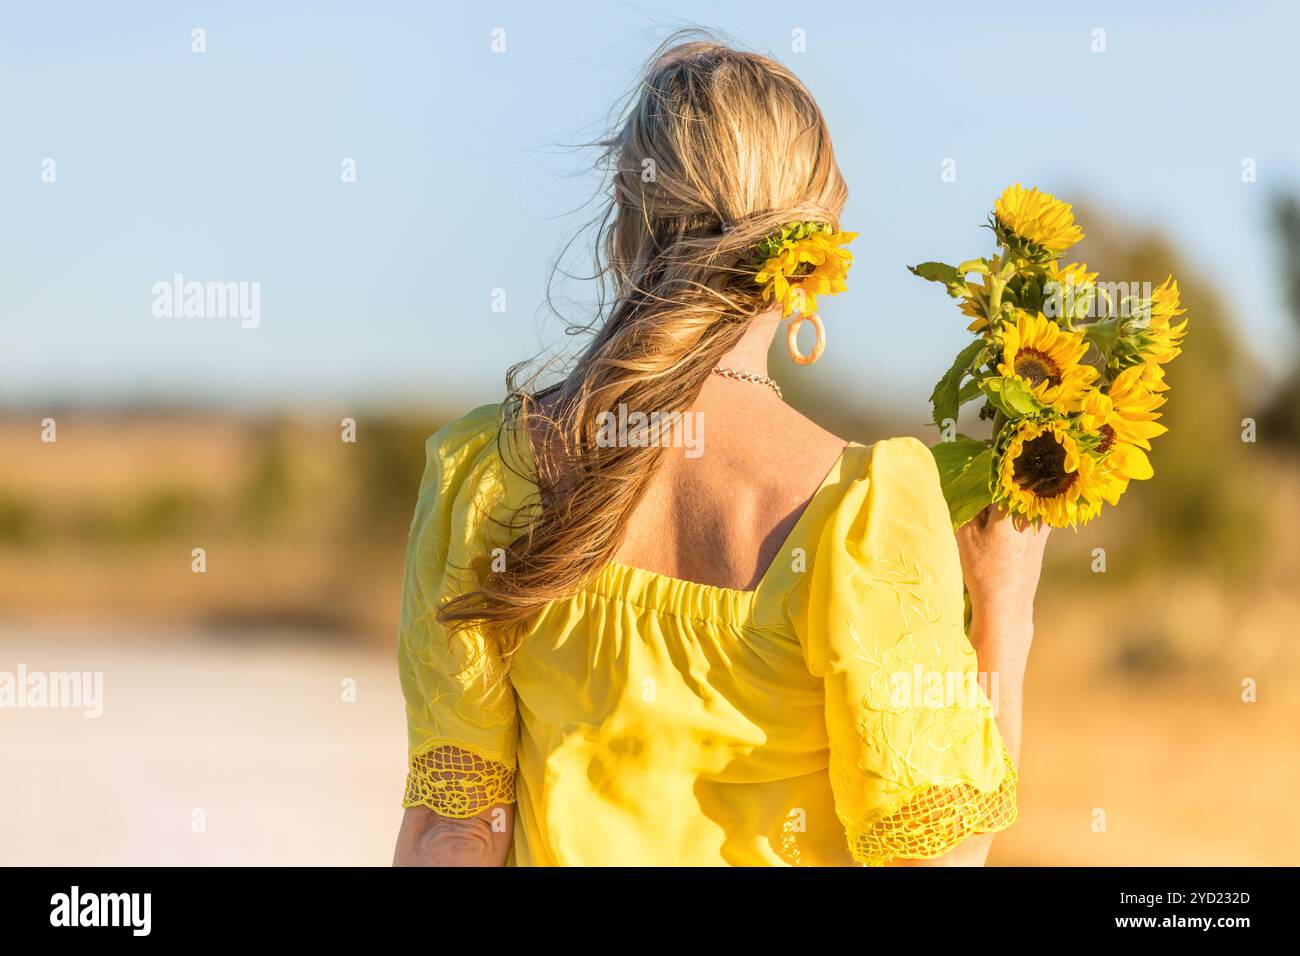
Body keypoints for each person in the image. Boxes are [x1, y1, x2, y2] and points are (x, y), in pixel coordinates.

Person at [392, 36, 1048, 867]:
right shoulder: (863, 512)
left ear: (625, 223)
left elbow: (452, 836)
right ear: (812, 260)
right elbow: (940, 854)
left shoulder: (483, 476)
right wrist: (1003, 610)